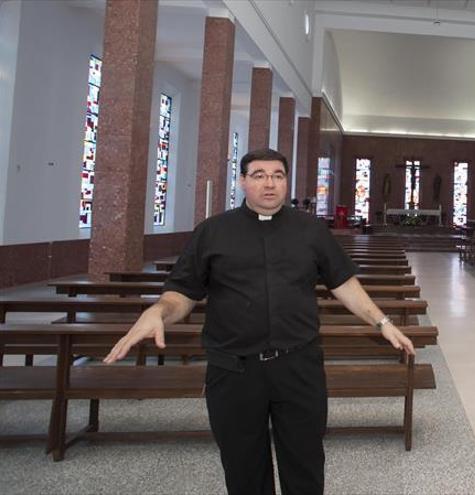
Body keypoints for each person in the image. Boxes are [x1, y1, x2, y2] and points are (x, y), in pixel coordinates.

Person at [104, 148, 415, 494]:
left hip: (298, 366)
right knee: (243, 467)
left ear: (286, 182)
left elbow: (343, 283)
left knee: (306, 463)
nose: (270, 184)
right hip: (233, 370)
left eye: (278, 176)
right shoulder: (212, 232)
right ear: (242, 181)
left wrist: (383, 322)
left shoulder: (311, 231)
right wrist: (158, 311)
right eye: (259, 175)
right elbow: (182, 294)